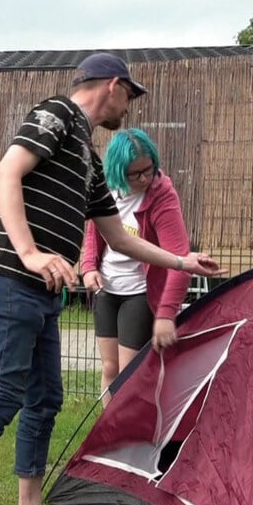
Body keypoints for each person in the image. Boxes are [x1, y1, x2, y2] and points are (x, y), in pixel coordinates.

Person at [0, 53, 225, 505]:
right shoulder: (56, 114)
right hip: (10, 281)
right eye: (129, 96)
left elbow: (118, 238)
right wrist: (29, 253)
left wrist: (183, 260)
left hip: (40, 296)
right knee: (0, 400)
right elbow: (4, 175)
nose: (128, 108)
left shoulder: (85, 157)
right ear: (113, 86)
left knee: (45, 401)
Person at [80, 128, 192, 407]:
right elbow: (94, 229)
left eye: (148, 169)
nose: (144, 178)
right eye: (135, 174)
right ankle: (108, 435)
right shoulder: (105, 187)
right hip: (107, 288)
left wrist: (166, 315)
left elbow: (181, 259)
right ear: (118, 172)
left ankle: (133, 438)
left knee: (128, 375)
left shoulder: (161, 195)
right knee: (109, 369)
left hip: (139, 292)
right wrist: (89, 267)